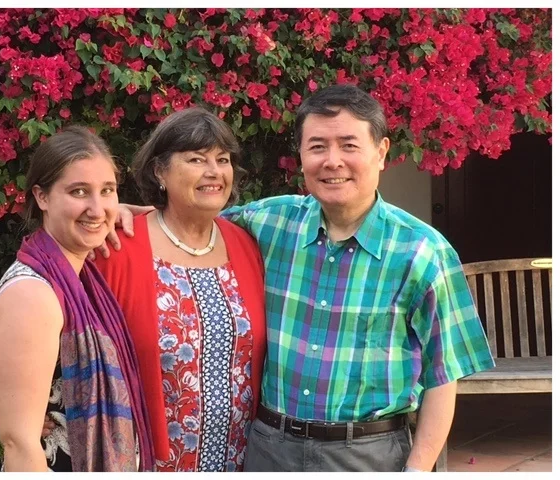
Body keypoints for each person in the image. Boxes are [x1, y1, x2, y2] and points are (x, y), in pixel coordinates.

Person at [115, 85, 495, 472]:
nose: (332, 161)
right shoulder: (270, 223)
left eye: (348, 145)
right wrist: (124, 213)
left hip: (368, 454)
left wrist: (417, 470)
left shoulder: (423, 252)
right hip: (269, 449)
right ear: (300, 156)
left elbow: (443, 375)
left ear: (381, 152)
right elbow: (193, 218)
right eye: (317, 147)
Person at [91, 107, 266, 471]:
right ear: (160, 171)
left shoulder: (246, 245)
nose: (214, 171)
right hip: (149, 460)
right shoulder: (117, 248)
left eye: (222, 159)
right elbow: (63, 329)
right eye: (196, 159)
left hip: (240, 458)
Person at [0, 126, 154, 471]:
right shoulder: (32, 295)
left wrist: (112, 211)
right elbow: (19, 444)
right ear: (42, 197)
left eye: (107, 190)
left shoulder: (79, 277)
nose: (97, 208)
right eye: (79, 191)